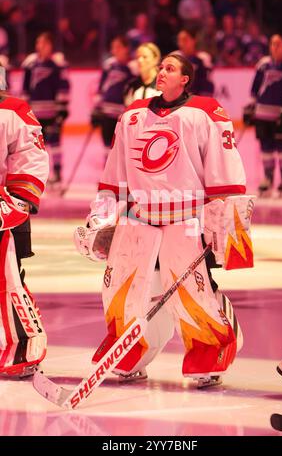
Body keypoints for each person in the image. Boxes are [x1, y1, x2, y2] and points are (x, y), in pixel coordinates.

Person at [75, 53, 254, 388]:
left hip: (184, 218)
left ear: (185, 79)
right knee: (121, 289)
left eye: (170, 68)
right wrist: (101, 215)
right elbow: (115, 172)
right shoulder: (132, 114)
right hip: (138, 215)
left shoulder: (204, 113)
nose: (161, 72)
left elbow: (225, 173)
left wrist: (224, 224)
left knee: (192, 291)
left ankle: (210, 348)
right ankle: (129, 352)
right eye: (161, 67)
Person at [0, 63, 49, 378]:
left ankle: (24, 347)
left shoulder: (12, 111)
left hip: (2, 211)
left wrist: (19, 199)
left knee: (7, 281)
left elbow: (30, 154)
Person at [243, 34, 282, 198]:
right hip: (263, 113)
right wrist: (250, 106)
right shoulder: (263, 64)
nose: (274, 47)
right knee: (266, 147)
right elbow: (255, 88)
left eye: (278, 44)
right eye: (272, 43)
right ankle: (267, 177)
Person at [21, 32, 70, 188]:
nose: (38, 47)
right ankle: (36, 174)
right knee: (35, 144)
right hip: (34, 112)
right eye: (37, 43)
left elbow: (63, 87)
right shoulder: (31, 64)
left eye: (42, 43)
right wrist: (23, 108)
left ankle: (57, 173)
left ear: (49, 46)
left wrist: (62, 109)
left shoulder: (57, 65)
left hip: (51, 111)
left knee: (55, 143)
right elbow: (25, 88)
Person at [90, 35, 134, 167]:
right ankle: (107, 174)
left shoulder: (133, 67)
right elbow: (101, 88)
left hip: (123, 114)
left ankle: (121, 176)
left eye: (118, 47)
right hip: (106, 112)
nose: (114, 51)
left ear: (126, 49)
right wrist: (97, 108)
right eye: (113, 48)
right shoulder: (109, 65)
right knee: (106, 144)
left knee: (122, 146)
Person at [177, 26, 214, 96]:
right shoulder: (175, 57)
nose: (181, 44)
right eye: (179, 40)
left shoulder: (203, 57)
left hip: (199, 97)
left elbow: (207, 83)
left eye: (185, 40)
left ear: (194, 40)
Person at [124, 42, 161, 106]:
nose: (140, 60)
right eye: (137, 57)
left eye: (144, 57)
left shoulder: (162, 84)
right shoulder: (132, 85)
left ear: (156, 59)